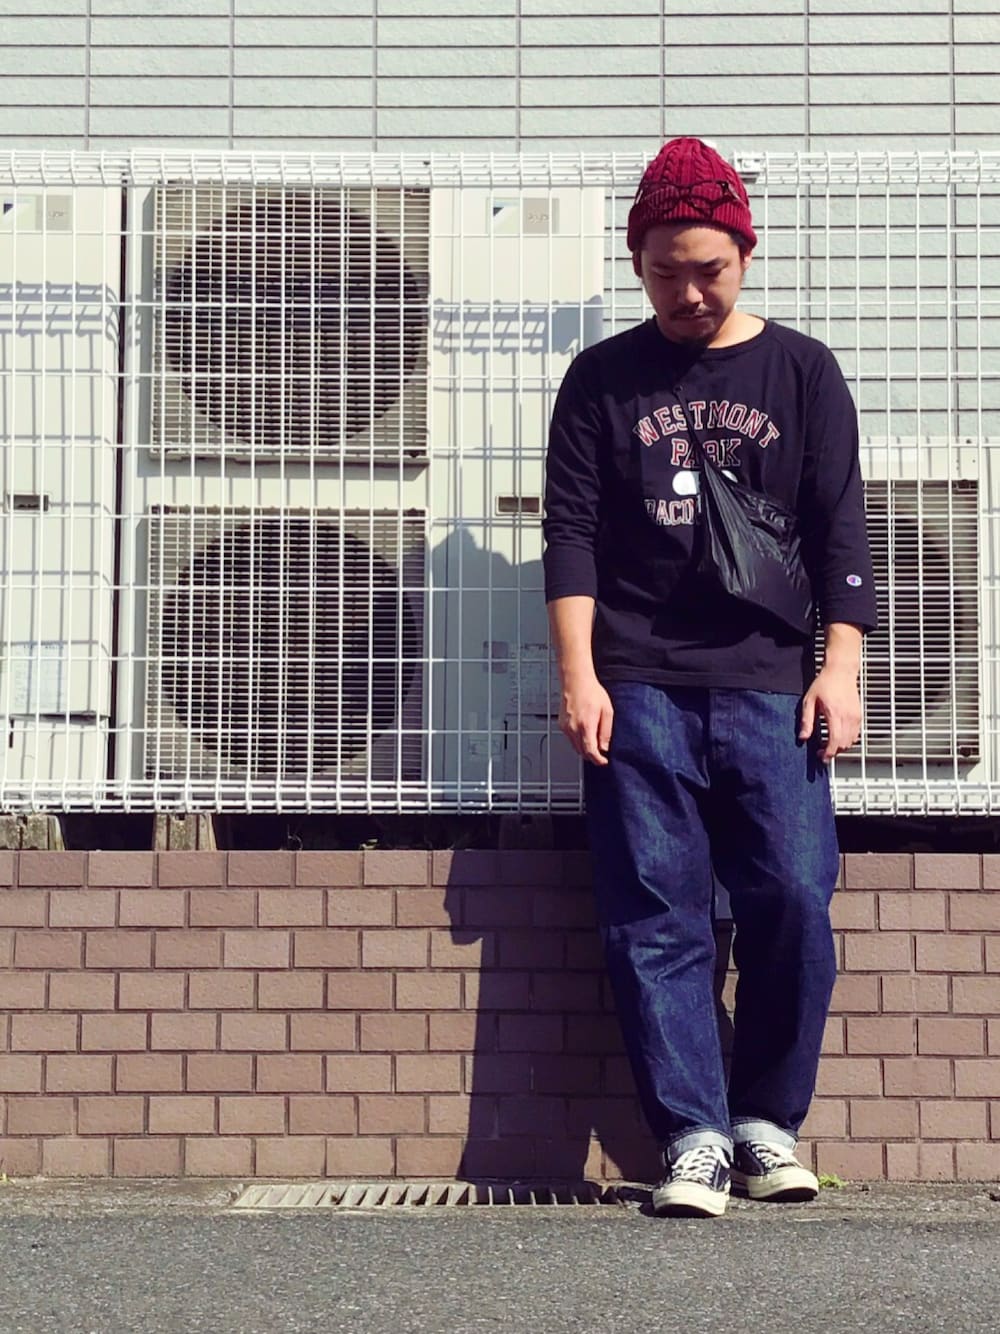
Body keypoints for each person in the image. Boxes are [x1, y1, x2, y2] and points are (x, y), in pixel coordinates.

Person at [542, 138, 877, 1219]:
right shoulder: (602, 379)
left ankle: (767, 1122)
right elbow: (571, 535)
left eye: (709, 270)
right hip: (637, 681)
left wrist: (840, 668)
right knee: (655, 913)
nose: (688, 293)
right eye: (664, 273)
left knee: (793, 896)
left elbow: (840, 529)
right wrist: (580, 674)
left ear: (745, 252)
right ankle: (691, 1134)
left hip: (771, 682)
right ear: (636, 265)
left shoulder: (802, 372)